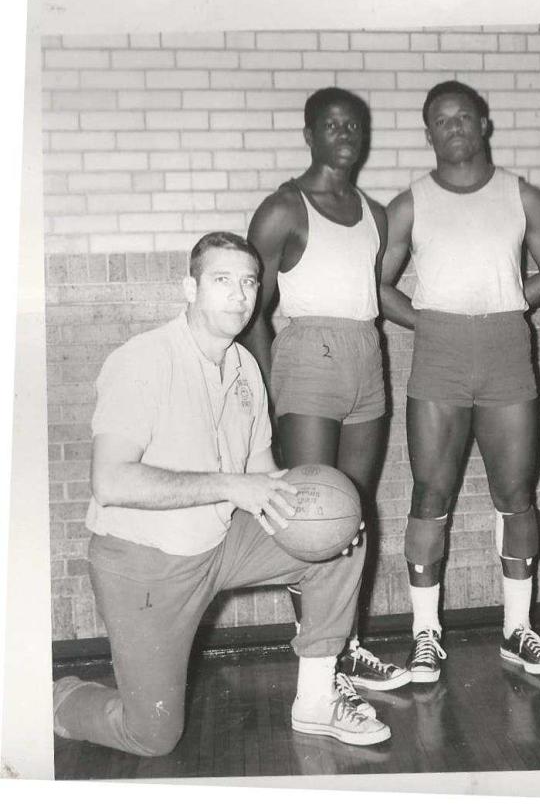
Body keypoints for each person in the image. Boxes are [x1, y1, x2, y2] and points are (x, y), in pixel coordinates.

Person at [52, 232, 390, 754]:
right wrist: (232, 486)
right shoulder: (143, 360)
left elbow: (264, 477)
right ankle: (55, 699)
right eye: (222, 280)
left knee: (340, 534)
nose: (239, 295)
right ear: (190, 288)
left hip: (219, 545)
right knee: (153, 736)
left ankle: (318, 701)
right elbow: (111, 482)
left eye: (249, 283)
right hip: (145, 565)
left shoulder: (246, 368)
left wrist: (314, 514)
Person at [379, 80, 540, 681]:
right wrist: (429, 322)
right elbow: (377, 285)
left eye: (465, 116)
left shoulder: (524, 197)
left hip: (507, 352)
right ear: (428, 132)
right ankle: (426, 635)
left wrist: (509, 303)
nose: (454, 126)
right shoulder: (408, 204)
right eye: (442, 119)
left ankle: (518, 629)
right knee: (429, 496)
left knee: (515, 494)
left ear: (484, 124)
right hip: (439, 354)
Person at [243, 87, 410, 696]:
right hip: (306, 357)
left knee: (352, 513)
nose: (345, 133)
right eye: (331, 124)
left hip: (367, 355)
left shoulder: (375, 212)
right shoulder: (284, 208)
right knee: (311, 514)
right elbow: (254, 312)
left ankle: (350, 645)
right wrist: (266, 387)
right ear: (309, 133)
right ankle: (321, 663)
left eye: (354, 125)